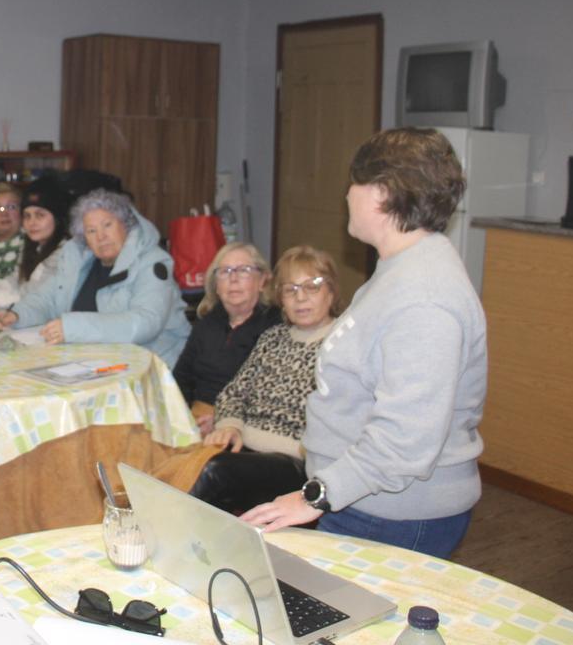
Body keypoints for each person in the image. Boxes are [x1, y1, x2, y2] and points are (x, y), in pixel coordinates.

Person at [241, 127, 486, 560]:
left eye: (354, 183)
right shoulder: (401, 270)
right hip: (363, 499)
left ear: (383, 193)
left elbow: (405, 441)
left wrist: (313, 497)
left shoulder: (425, 297)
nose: (346, 196)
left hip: (393, 512)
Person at [190, 245, 341, 514]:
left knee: (215, 470)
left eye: (312, 287)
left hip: (298, 463)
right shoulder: (273, 338)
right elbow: (232, 393)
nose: (300, 298)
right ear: (281, 298)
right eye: (290, 290)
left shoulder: (342, 344)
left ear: (331, 291)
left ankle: (162, 538)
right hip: (244, 449)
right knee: (182, 459)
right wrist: (231, 426)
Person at [0, 188, 190, 367]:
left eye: (107, 225)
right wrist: (16, 315)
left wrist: (73, 327)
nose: (101, 236)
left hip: (152, 367)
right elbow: (45, 298)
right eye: (91, 230)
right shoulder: (78, 261)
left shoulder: (152, 262)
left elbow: (146, 323)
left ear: (126, 225)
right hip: (92, 363)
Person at [173, 242, 282, 435]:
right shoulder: (207, 323)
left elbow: (270, 397)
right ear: (216, 285)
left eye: (244, 270)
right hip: (195, 419)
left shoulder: (275, 327)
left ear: (262, 280)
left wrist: (221, 421)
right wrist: (181, 419)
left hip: (241, 426)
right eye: (225, 271)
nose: (233, 278)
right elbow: (181, 379)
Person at [0, 175, 72, 307]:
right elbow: (12, 282)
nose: (32, 223)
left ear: (58, 218)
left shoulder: (65, 252)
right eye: (27, 216)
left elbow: (23, 298)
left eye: (40, 215)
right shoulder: (36, 248)